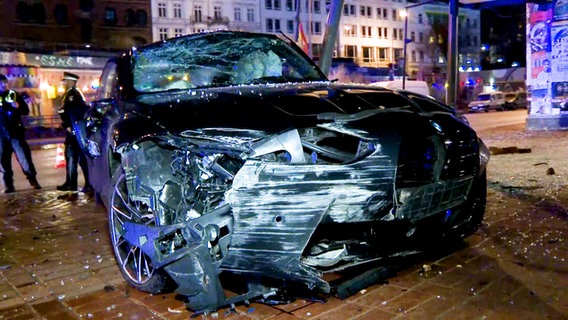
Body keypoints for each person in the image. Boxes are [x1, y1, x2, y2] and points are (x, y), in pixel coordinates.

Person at [0, 74, 41, 193]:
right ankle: (9, 185)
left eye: (5, 82)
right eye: (1, 83)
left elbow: (25, 111)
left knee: (24, 157)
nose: (4, 85)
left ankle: (33, 180)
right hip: (1, 134)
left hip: (15, 132)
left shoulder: (13, 95)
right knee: (3, 160)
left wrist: (17, 106)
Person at [56, 72, 91, 192]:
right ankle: (72, 182)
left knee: (75, 157)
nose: (64, 83)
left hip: (74, 130)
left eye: (65, 81)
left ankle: (80, 183)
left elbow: (73, 113)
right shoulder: (70, 94)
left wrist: (69, 125)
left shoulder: (73, 95)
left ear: (71, 82)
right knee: (73, 156)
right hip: (74, 129)